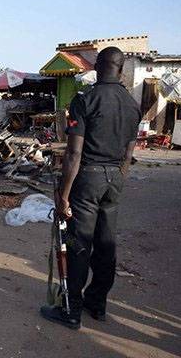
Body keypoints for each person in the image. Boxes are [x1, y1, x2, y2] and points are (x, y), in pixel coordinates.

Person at [40, 47, 141, 329]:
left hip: (89, 178)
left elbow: (73, 153)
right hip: (115, 180)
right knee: (106, 244)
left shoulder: (85, 100)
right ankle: (97, 304)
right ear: (121, 69)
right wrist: (118, 179)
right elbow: (128, 154)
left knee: (78, 244)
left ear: (97, 67)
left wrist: (63, 194)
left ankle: (71, 311)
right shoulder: (132, 105)